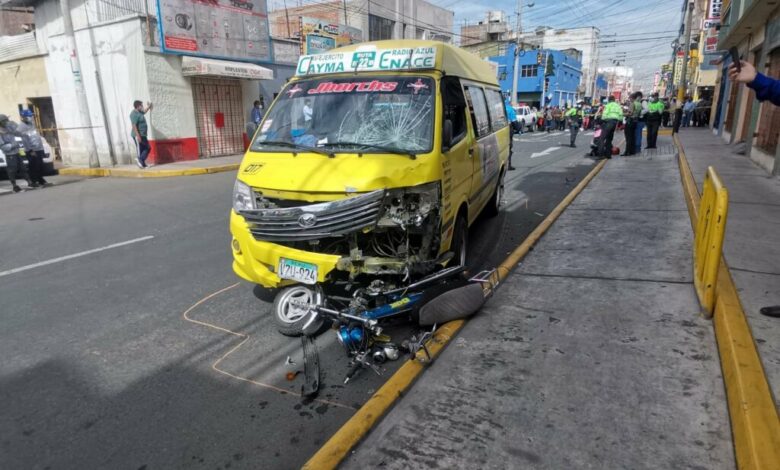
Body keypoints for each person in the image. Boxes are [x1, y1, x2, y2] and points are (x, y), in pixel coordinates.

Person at [0, 114, 33, 192]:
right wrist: (12, 145)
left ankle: (30, 182)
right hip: (10, 154)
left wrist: (14, 125)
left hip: (16, 151)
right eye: (5, 121)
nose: (6, 122)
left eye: (7, 120)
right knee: (12, 169)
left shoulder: (8, 128)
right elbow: (1, 145)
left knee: (23, 167)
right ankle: (14, 185)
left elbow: (17, 133)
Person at [16, 109, 49, 186]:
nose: (31, 117)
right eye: (29, 116)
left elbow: (35, 136)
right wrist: (30, 150)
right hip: (31, 149)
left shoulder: (32, 124)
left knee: (40, 165)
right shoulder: (21, 127)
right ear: (23, 117)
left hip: (38, 148)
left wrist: (41, 148)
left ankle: (40, 178)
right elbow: (25, 140)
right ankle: (34, 181)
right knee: (34, 165)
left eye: (31, 116)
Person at [130, 100, 152, 168]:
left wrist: (149, 107)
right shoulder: (133, 114)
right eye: (141, 106)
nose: (142, 107)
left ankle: (141, 162)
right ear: (137, 106)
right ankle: (140, 161)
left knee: (146, 148)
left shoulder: (139, 112)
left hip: (143, 134)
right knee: (144, 149)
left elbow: (144, 111)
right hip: (138, 135)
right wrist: (138, 136)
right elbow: (134, 125)